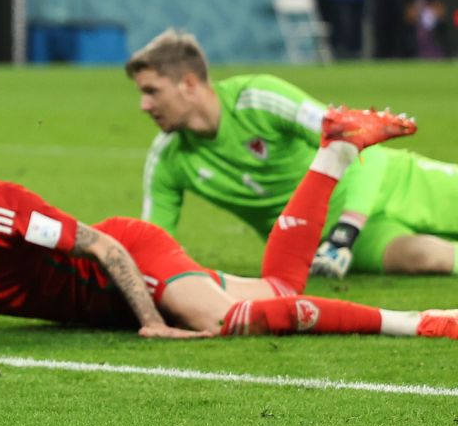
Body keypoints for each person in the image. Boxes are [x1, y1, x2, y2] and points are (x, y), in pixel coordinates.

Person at [0, 121, 458, 344]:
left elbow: (103, 247)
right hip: (105, 297)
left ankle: (425, 322)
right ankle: (337, 152)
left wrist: (152, 323)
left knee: (235, 321)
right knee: (282, 286)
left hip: (128, 257)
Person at [127, 29, 458, 278]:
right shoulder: (167, 158)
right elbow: (155, 245)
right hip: (332, 243)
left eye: (151, 91)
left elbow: (352, 140)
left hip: (388, 182)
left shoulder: (258, 99)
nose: (143, 106)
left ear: (188, 83)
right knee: (428, 259)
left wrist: (346, 229)